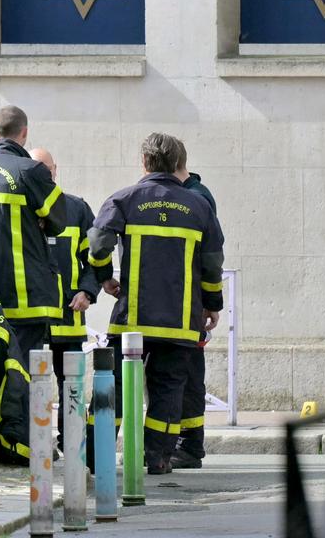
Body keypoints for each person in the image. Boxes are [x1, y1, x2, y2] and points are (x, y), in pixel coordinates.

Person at [88, 133, 225, 475]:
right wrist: (212, 304)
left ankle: (95, 456)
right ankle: (158, 458)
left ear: (145, 163)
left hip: (132, 319)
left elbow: (97, 243)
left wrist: (105, 276)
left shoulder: (125, 199)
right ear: (179, 165)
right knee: (167, 392)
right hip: (178, 324)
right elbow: (212, 264)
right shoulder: (199, 207)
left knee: (114, 386)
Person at [0, 106, 66, 354]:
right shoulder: (31, 170)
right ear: (24, 132)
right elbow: (59, 221)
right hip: (27, 297)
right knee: (22, 375)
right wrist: (37, 219)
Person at [29, 146, 107, 447]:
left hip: (68, 317)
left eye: (45, 169)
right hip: (31, 317)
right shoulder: (21, 212)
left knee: (70, 384)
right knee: (30, 383)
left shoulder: (76, 209)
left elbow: (93, 259)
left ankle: (70, 442)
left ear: (55, 170)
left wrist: (88, 291)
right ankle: (34, 442)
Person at [172, 144, 218, 469]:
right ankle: (182, 442)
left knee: (188, 376)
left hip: (190, 303)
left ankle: (189, 445)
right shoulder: (190, 194)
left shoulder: (196, 197)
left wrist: (209, 301)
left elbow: (209, 255)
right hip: (179, 302)